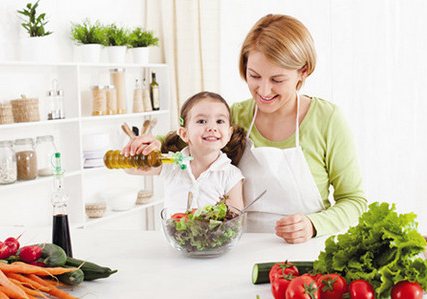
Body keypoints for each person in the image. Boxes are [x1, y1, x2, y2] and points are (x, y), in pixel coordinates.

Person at [123, 14, 367, 244]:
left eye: (277, 80)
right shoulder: (234, 116)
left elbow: (354, 200)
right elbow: (184, 142)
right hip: (239, 247)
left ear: (303, 72)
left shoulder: (327, 119)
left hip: (304, 250)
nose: (263, 90)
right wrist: (151, 145)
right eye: (254, 76)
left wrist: (314, 224)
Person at [122, 91, 246, 212]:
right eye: (202, 121)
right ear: (184, 134)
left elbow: (235, 222)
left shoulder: (231, 176)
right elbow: (130, 169)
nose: (212, 128)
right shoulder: (171, 163)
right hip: (173, 232)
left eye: (220, 121)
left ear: (229, 134)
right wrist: (135, 153)